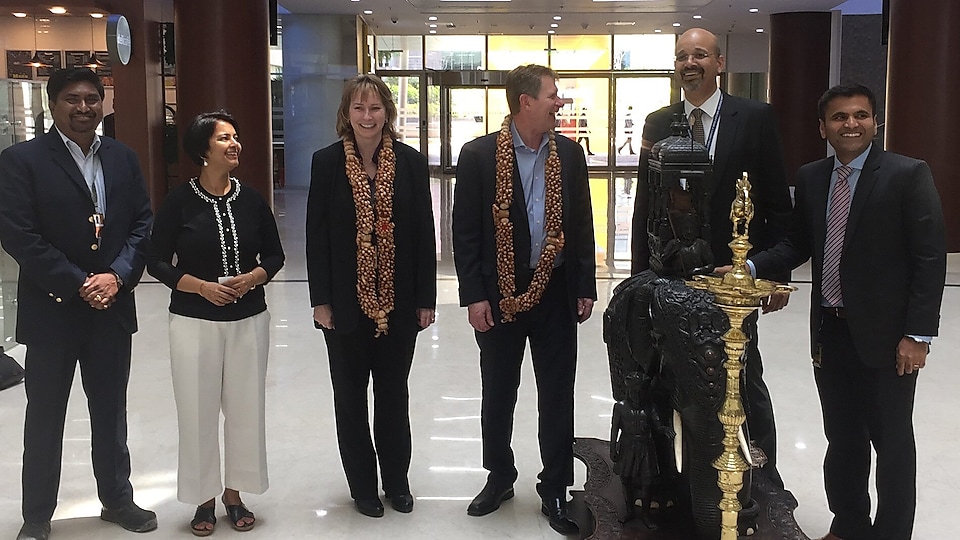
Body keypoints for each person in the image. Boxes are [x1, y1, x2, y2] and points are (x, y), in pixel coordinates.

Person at [749, 84, 946, 540]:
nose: (851, 124)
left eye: (860, 115)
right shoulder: (814, 177)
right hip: (831, 334)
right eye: (839, 117)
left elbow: (929, 259)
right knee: (843, 440)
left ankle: (893, 531)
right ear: (823, 127)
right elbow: (798, 243)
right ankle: (850, 523)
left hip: (889, 338)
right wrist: (751, 266)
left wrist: (918, 335)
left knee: (892, 443)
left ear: (876, 123)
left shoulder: (907, 174)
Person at [629, 27, 792, 487]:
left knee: (742, 378)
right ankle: (675, 478)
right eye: (682, 55)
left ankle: (763, 479)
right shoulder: (659, 122)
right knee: (668, 374)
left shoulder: (755, 118)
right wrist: (641, 273)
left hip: (731, 277)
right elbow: (646, 203)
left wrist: (771, 271)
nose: (689, 62)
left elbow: (777, 202)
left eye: (700, 54)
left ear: (720, 63)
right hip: (670, 275)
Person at [0, 67, 155, 540]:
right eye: (73, 99)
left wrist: (118, 276)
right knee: (46, 417)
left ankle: (117, 500)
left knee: (111, 413)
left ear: (104, 103)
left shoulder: (123, 157)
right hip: (52, 312)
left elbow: (142, 224)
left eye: (93, 98)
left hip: (111, 309)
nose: (84, 108)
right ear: (52, 103)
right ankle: (36, 517)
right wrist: (78, 281)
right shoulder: (21, 160)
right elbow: (18, 235)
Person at [452, 64, 597, 536]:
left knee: (557, 393)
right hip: (499, 296)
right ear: (525, 102)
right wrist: (474, 296)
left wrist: (584, 286)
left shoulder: (571, 156)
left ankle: (555, 484)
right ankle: (499, 476)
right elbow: (466, 235)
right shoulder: (477, 156)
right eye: (553, 95)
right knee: (498, 393)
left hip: (555, 293)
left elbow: (581, 224)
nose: (560, 103)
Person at [147, 111, 285, 536]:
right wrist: (200, 287)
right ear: (203, 150)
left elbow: (275, 257)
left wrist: (253, 277)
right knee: (198, 410)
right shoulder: (179, 201)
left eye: (236, 135)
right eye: (224, 137)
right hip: (193, 320)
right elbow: (155, 261)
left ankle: (235, 494)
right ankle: (203, 498)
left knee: (246, 410)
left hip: (249, 319)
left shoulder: (252, 199)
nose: (234, 143)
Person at [306, 74, 437, 519]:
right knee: (349, 398)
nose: (367, 117)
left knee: (393, 395)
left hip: (399, 305)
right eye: (359, 108)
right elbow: (316, 234)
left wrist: (425, 299)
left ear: (388, 113)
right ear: (347, 114)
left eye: (375, 108)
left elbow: (423, 234)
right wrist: (320, 299)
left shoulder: (410, 162)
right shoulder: (326, 163)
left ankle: (396, 482)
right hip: (342, 305)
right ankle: (362, 486)